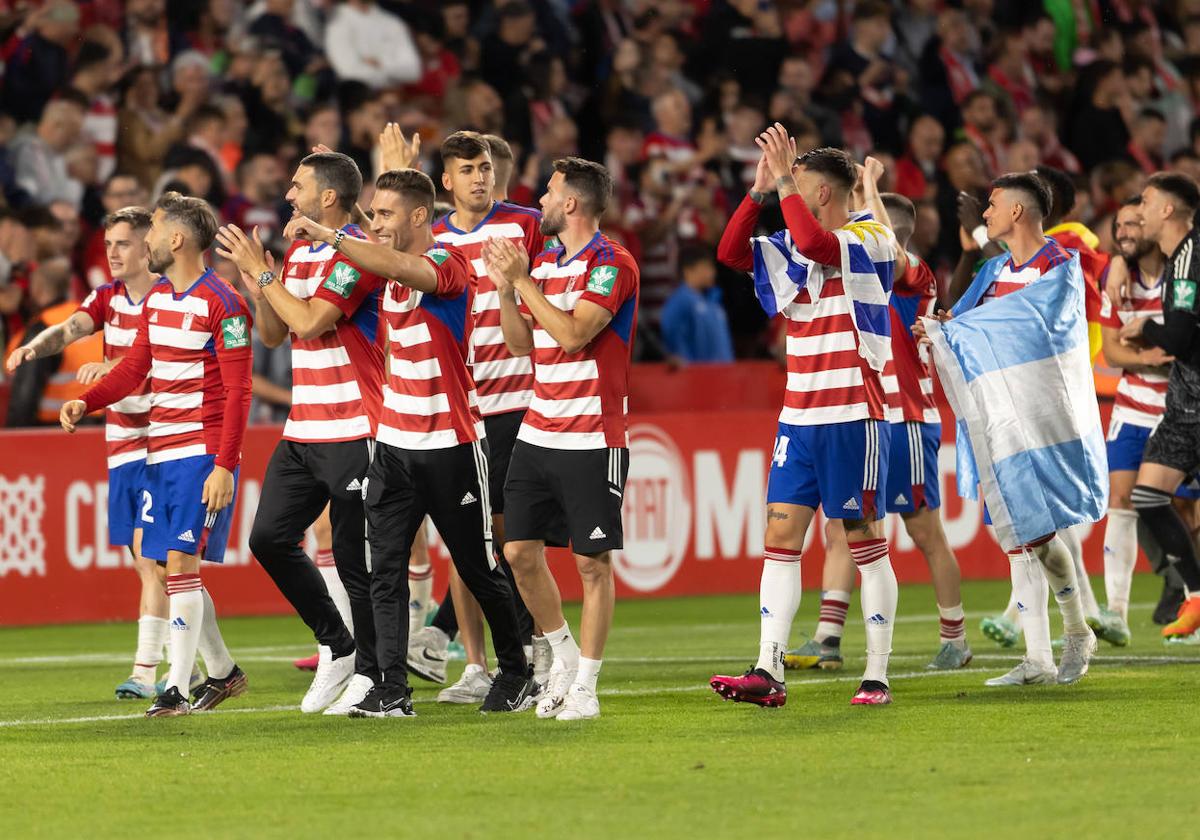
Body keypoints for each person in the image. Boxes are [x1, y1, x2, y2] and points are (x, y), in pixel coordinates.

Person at [287, 168, 535, 717]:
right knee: (386, 568)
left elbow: (397, 261)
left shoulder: (448, 262)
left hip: (451, 440)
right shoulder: (385, 266)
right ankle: (392, 690)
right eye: (371, 215)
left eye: (385, 214)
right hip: (395, 443)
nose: (376, 224)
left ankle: (518, 671)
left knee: (477, 568)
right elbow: (380, 252)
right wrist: (343, 206)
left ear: (420, 216)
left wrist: (328, 232)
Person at [709, 128, 900, 708]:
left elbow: (819, 245)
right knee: (779, 537)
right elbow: (731, 254)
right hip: (800, 418)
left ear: (821, 192)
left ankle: (877, 672)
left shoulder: (871, 237)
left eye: (800, 183)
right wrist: (759, 192)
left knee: (864, 541)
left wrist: (786, 181)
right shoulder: (794, 248)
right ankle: (768, 670)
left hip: (854, 416)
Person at [59, 192, 250, 717]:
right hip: (159, 456)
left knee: (181, 563)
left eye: (155, 229)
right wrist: (86, 400)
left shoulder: (224, 303)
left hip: (199, 452)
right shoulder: (160, 300)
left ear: (178, 239)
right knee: (169, 566)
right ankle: (225, 673)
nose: (147, 239)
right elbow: (131, 369)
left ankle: (177, 689)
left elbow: (238, 392)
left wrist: (224, 465)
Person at [215, 151, 385, 716]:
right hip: (304, 428)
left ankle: (370, 673)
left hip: (355, 426)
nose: (289, 194)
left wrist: (267, 276)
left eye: (298, 185)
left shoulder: (357, 252)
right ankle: (338, 645)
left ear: (329, 197)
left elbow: (313, 320)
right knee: (267, 538)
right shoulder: (304, 252)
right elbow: (274, 334)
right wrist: (259, 290)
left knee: (353, 557)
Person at [917, 172, 1098, 686]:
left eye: (993, 205)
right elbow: (963, 319)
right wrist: (938, 328)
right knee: (1016, 536)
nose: (986, 215)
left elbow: (1042, 330)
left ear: (1017, 211)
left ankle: (1076, 631)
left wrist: (967, 328)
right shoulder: (994, 267)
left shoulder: (1059, 267)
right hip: (997, 419)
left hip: (1042, 419)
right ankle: (1039, 659)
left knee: (1037, 534)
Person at [787, 190, 970, 672]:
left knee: (924, 529)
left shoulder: (916, 279)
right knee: (843, 526)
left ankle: (955, 636)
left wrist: (868, 190)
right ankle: (828, 636)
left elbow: (885, 243)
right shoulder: (855, 273)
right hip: (865, 416)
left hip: (907, 418)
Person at [485, 156, 640, 721]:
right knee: (519, 552)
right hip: (539, 429)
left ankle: (587, 688)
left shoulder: (612, 264)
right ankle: (565, 657)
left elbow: (574, 335)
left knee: (592, 563)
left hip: (593, 435)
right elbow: (523, 344)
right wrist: (508, 291)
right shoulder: (546, 262)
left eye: (549, 193)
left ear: (571, 203)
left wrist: (522, 280)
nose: (541, 202)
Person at [5, 206, 176, 699]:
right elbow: (69, 329)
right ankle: (190, 661)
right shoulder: (108, 298)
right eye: (108, 245)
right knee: (148, 561)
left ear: (148, 246)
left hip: (165, 439)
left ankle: (149, 670)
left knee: (156, 560)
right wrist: (33, 349)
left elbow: (172, 363)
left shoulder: (170, 298)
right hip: (122, 441)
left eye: (123, 243)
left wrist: (112, 370)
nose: (113, 253)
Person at [405, 129, 545, 704]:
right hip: (458, 406)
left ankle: (534, 651)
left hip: (515, 401)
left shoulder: (526, 223)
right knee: (466, 541)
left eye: (484, 167)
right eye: (467, 169)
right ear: (448, 180)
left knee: (513, 539)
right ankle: (475, 665)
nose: (479, 177)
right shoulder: (430, 235)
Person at [1096, 197, 1186, 645]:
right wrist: (1149, 356)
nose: (1126, 232)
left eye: (1134, 223)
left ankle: (1192, 602)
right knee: (1121, 498)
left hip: (1180, 409)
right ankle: (1116, 613)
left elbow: (1181, 348)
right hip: (1131, 407)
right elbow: (1112, 352)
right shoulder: (1116, 279)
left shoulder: (1183, 272)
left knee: (1185, 511)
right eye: (1118, 226)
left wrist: (1154, 350)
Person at [1117, 172, 1200, 642]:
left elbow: (1179, 338)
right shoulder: (1176, 258)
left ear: (1167, 210)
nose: (1140, 211)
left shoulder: (1189, 255)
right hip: (1184, 403)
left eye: (1145, 203)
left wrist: (1145, 326)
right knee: (1148, 496)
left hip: (1196, 400)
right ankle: (1196, 595)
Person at [4, 258, 102, 426]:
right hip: (104, 425)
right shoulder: (92, 317)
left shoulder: (43, 329)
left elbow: (25, 396)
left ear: (38, 289)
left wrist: (13, 438)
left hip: (59, 433)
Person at [660, 244, 735, 364]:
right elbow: (674, 338)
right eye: (706, 267)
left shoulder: (713, 300)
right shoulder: (679, 301)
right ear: (688, 270)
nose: (712, 272)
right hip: (697, 377)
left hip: (724, 376)